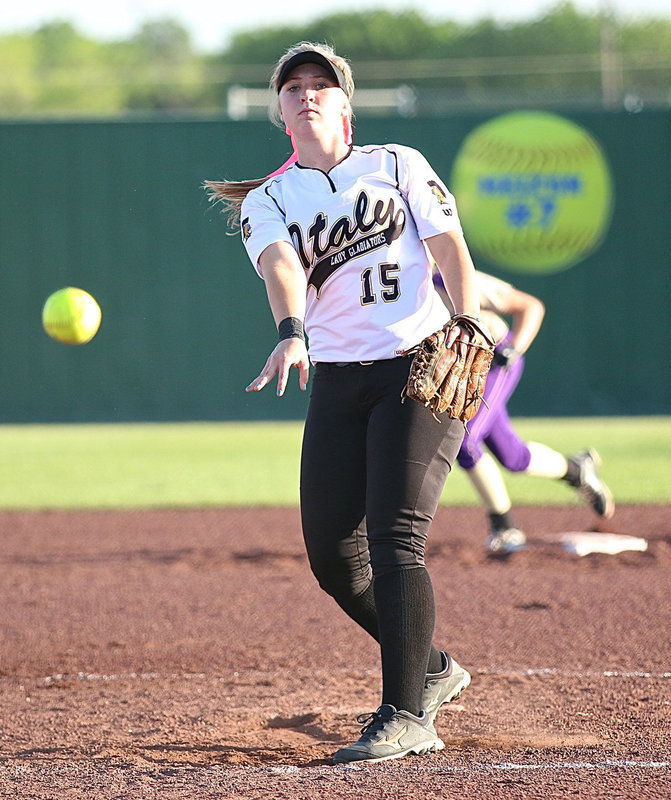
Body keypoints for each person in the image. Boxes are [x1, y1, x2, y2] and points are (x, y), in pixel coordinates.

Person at [206, 42, 482, 764]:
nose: (306, 94)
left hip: (416, 367)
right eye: (292, 86)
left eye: (321, 84)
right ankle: (431, 669)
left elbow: (449, 247)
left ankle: (405, 714)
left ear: (345, 104)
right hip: (336, 375)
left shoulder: (396, 162)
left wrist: (469, 317)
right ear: (277, 110)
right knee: (334, 559)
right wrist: (291, 332)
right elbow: (280, 265)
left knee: (396, 538)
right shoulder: (270, 200)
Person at [433, 269, 615, 554]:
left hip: (493, 360)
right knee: (512, 456)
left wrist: (514, 349)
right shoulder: (395, 286)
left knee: (465, 440)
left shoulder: (446, 274)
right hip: (461, 371)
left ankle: (505, 527)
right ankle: (576, 469)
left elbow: (530, 306)